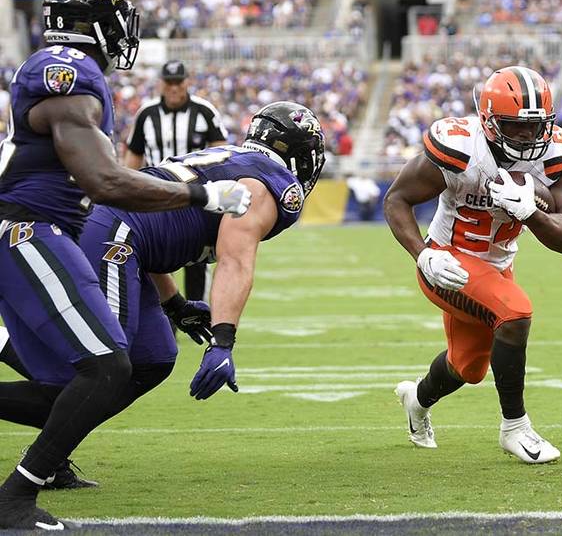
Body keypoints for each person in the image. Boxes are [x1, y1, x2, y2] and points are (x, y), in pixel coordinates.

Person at [0, 0, 251, 530]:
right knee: (106, 368)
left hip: (43, 231)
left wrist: (172, 303)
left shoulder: (77, 74)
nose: (125, 30)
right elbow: (105, 182)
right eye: (118, 17)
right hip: (23, 230)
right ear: (96, 21)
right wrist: (202, 193)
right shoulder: (66, 75)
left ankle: (38, 475)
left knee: (101, 369)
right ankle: (14, 499)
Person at [0, 102, 326, 485]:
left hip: (121, 238)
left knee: (154, 358)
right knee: (100, 371)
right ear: (302, 154)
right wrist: (222, 341)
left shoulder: (228, 159)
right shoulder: (270, 184)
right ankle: (41, 464)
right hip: (112, 236)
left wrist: (175, 304)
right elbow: (234, 259)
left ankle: (53, 450)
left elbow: (157, 232)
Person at [384, 66, 562, 464]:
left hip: (496, 267)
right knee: (515, 312)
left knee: (467, 367)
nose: (528, 138)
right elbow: (397, 200)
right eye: (515, 127)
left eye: (535, 127)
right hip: (448, 263)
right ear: (489, 121)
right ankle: (516, 428)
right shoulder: (459, 146)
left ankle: (416, 401)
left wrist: (532, 214)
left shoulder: (557, 152)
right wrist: (423, 254)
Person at [125, 59, 229, 300]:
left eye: (178, 82)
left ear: (187, 82)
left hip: (196, 199)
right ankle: (167, 320)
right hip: (154, 197)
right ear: (161, 83)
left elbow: (221, 154)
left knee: (197, 261)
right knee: (157, 258)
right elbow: (133, 157)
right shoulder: (147, 114)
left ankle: (198, 314)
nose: (174, 88)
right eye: (169, 82)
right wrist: (127, 194)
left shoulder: (204, 111)